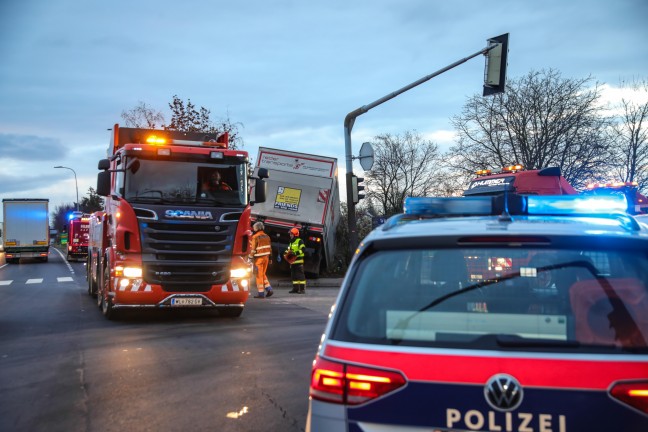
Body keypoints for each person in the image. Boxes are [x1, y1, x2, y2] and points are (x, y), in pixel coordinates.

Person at [249, 222, 273, 298]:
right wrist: (271, 258)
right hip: (266, 258)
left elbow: (253, 250)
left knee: (259, 276)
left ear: (257, 228)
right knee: (262, 274)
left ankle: (261, 293)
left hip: (258, 259)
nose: (253, 229)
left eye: (254, 228)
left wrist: (250, 257)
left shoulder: (255, 237)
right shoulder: (267, 236)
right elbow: (270, 249)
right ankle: (269, 289)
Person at [285, 227, 306, 294]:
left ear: (295, 234)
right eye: (290, 234)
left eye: (291, 234)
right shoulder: (291, 242)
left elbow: (303, 249)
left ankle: (302, 289)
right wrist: (286, 254)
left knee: (300, 275)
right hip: (293, 262)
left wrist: (295, 254)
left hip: (299, 261)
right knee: (293, 275)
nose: (290, 235)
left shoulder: (300, 241)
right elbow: (289, 250)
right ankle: (295, 289)